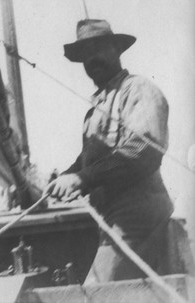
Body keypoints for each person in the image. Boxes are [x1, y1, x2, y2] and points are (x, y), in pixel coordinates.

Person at [45, 19, 173, 283]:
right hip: (110, 219)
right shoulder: (95, 110)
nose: (92, 58)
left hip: (138, 217)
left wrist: (82, 179)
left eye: (98, 48)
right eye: (85, 54)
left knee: (97, 294)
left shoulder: (138, 89)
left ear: (117, 50)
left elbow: (143, 149)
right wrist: (64, 177)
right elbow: (87, 161)